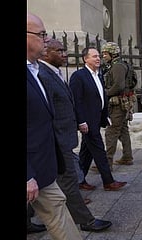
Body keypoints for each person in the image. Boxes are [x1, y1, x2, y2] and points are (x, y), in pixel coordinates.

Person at [32, 37, 113, 232]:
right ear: (45, 53)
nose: (65, 54)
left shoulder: (53, 73)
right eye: (59, 51)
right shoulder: (42, 74)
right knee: (68, 180)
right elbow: (44, 111)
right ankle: (86, 220)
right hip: (56, 139)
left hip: (63, 137)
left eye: (64, 50)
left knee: (45, 180)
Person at [26, 12, 83, 239]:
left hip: (42, 168)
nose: (47, 39)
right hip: (30, 172)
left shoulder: (36, 71)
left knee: (58, 209)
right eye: (41, 34)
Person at [69, 47, 128, 191]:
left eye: (99, 56)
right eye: (94, 56)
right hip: (87, 121)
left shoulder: (98, 74)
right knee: (99, 150)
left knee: (86, 151)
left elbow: (100, 97)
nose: (98, 59)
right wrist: (81, 121)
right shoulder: (79, 76)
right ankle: (108, 181)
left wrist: (105, 116)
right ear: (85, 59)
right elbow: (76, 101)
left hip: (96, 119)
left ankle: (80, 180)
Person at [101, 42, 135, 166]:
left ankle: (107, 163)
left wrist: (105, 93)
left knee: (112, 131)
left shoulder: (117, 67)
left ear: (113, 53)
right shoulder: (121, 64)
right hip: (123, 102)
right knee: (123, 130)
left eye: (105, 53)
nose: (103, 56)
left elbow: (119, 86)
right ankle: (127, 156)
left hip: (118, 104)